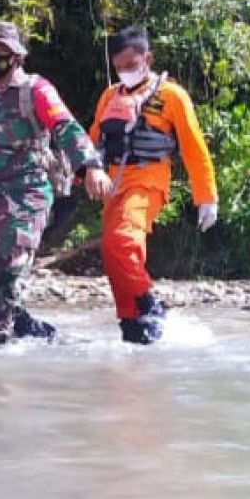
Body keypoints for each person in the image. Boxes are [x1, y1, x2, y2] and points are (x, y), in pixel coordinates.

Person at [0, 21, 113, 349]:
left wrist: (90, 167)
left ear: (15, 57)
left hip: (25, 193)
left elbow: (65, 127)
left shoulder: (35, 90)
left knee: (2, 273)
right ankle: (23, 324)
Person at [87, 25, 218, 345]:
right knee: (113, 253)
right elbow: (92, 141)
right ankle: (134, 327)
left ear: (148, 58)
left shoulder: (172, 96)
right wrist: (81, 173)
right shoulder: (110, 96)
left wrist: (206, 197)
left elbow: (193, 146)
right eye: (119, 67)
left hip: (148, 180)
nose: (125, 72)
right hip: (113, 183)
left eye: (131, 65)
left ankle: (150, 303)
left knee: (121, 243)